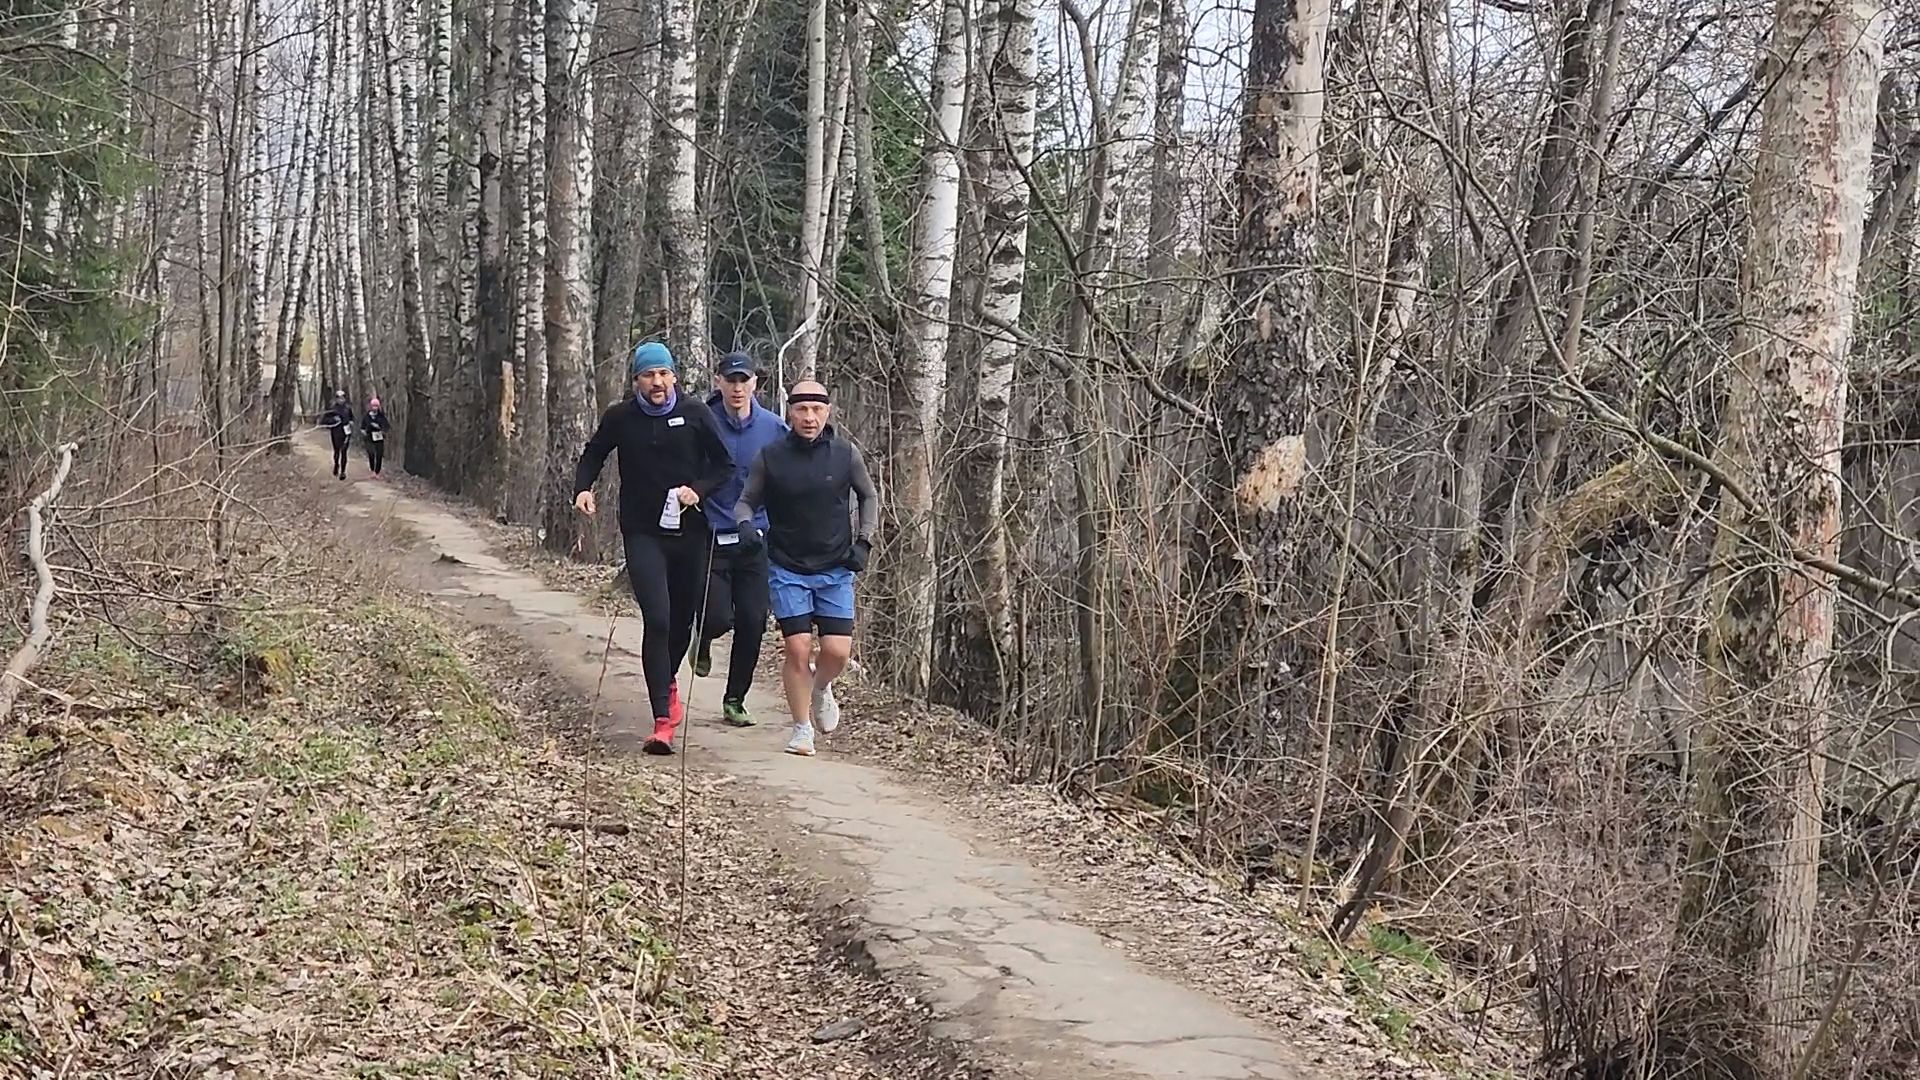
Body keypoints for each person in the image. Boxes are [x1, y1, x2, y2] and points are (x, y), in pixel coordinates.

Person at [573, 342, 734, 755]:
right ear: (637, 381)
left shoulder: (697, 413)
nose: (657, 382)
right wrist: (582, 489)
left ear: (674, 377)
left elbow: (724, 466)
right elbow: (594, 453)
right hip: (642, 531)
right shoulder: (622, 417)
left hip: (690, 533)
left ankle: (668, 680)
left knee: (683, 619)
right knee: (658, 619)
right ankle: (662, 719)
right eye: (649, 375)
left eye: (663, 374)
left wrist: (697, 491)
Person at [732, 380, 879, 757]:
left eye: (816, 410)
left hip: (835, 566)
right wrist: (746, 526)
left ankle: (821, 687)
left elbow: (868, 496)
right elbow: (746, 501)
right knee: (797, 649)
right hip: (786, 566)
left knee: (837, 652)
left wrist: (863, 541)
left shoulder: (845, 455)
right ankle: (801, 729)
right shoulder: (772, 455)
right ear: (790, 413)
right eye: (801, 410)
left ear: (828, 412)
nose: (809, 418)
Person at [692, 351, 787, 727]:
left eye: (743, 380)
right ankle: (702, 636)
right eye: (730, 380)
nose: (736, 387)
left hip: (755, 535)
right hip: (709, 533)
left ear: (755, 385)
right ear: (718, 381)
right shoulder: (703, 421)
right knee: (717, 617)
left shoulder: (774, 428)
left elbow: (786, 477)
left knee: (752, 620)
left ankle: (735, 698)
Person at [321, 390, 354, 480]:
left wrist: (351, 423)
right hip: (335, 432)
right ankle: (336, 464)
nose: (341, 400)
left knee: (344, 452)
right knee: (337, 451)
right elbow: (324, 421)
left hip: (346, 432)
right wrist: (333, 420)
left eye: (342, 398)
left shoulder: (348, 408)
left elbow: (352, 418)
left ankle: (343, 472)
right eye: (339, 398)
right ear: (336, 399)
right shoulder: (332, 409)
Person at [362, 396, 391, 477]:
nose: (375, 408)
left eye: (376, 406)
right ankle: (372, 469)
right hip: (369, 437)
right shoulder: (367, 416)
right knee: (371, 454)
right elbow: (362, 427)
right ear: (371, 406)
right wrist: (364, 431)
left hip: (379, 437)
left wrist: (382, 430)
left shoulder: (381, 416)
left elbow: (387, 426)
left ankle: (377, 472)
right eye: (373, 406)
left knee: (379, 454)